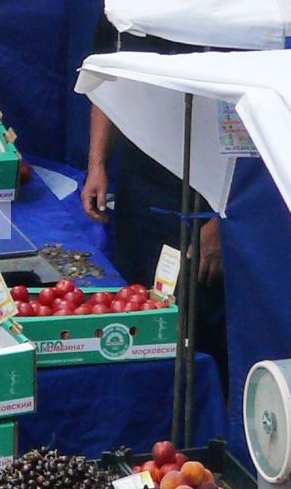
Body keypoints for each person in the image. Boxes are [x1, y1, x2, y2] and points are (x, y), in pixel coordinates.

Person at [82, 23, 227, 382]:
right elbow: (107, 80)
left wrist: (225, 216)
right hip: (142, 186)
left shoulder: (230, 16)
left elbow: (249, 120)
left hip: (206, 194)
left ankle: (204, 423)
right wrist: (97, 165)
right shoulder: (123, 4)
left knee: (200, 325)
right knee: (141, 307)